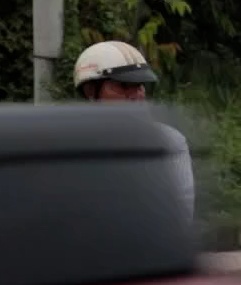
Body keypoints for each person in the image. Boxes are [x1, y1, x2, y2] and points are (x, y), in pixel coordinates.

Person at [73, 40, 195, 222]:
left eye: (139, 86)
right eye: (123, 86)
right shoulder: (69, 145)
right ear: (91, 91)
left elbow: (182, 210)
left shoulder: (168, 141)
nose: (136, 95)